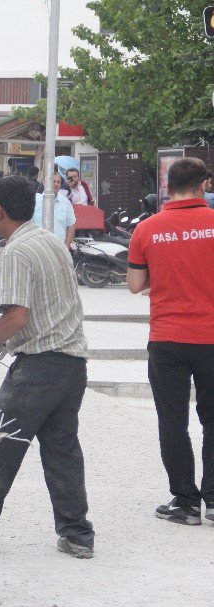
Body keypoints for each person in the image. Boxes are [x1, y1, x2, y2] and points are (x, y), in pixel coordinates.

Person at [0, 175, 94, 559]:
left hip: (40, 366)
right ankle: (77, 533)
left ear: (0, 210)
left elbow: (16, 318)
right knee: (62, 450)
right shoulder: (51, 242)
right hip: (72, 363)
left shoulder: (15, 251)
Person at [127, 157, 214, 526]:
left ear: (168, 185)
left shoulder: (147, 229)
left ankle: (186, 502)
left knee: (172, 421)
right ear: (203, 185)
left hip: (166, 339)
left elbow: (134, 285)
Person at [32, 173, 77, 246]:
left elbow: (71, 225)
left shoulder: (66, 202)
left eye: (58, 182)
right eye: (53, 181)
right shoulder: (34, 201)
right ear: (44, 183)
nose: (56, 184)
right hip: (38, 248)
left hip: (60, 248)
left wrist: (67, 246)